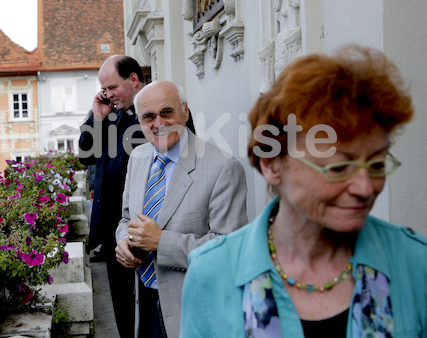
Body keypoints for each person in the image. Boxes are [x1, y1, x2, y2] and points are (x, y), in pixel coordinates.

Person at [180, 45, 427, 337]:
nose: (365, 188)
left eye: (376, 164)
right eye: (338, 168)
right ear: (272, 164)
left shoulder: (414, 264)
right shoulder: (213, 274)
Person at [115, 81, 248, 338]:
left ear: (185, 112)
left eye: (167, 112)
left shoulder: (223, 167)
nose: (159, 123)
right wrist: (123, 241)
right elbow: (125, 219)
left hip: (194, 312)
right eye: (149, 116)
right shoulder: (139, 158)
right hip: (144, 306)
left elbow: (230, 252)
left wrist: (162, 242)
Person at [78, 55, 146, 338]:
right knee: (123, 314)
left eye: (112, 87)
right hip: (110, 232)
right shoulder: (109, 113)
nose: (107, 95)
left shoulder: (156, 111)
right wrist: (96, 116)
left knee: (151, 312)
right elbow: (85, 154)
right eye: (103, 89)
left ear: (133, 80)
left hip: (143, 231)